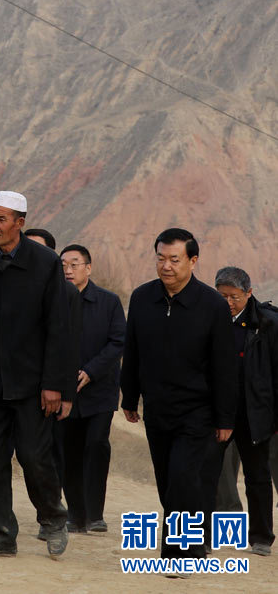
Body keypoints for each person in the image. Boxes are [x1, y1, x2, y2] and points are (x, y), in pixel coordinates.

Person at [0, 191, 76, 560]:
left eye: (1, 219)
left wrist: (55, 384)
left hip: (33, 383)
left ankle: (54, 518)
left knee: (33, 456)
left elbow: (59, 328)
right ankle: (1, 535)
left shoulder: (45, 263)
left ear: (20, 224)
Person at [120, 227, 237, 562]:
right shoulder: (142, 298)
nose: (166, 266)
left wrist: (224, 417)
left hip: (197, 411)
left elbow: (224, 367)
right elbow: (133, 351)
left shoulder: (212, 305)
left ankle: (178, 553)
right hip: (157, 408)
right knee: (167, 482)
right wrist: (130, 397)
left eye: (174, 259)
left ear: (193, 261)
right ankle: (195, 540)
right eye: (161, 258)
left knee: (184, 478)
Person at [205, 267, 278, 557]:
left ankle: (261, 537)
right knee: (207, 475)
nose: (228, 303)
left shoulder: (269, 323)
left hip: (255, 413)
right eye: (221, 296)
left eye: (233, 297)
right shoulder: (209, 320)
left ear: (249, 293)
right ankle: (202, 537)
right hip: (218, 413)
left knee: (257, 475)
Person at [59, 243, 126, 534]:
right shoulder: (54, 299)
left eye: (74, 264)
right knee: (68, 452)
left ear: (88, 267)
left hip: (99, 391)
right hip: (63, 391)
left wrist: (91, 370)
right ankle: (75, 514)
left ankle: (95, 514)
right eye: (63, 265)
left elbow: (117, 342)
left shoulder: (108, 302)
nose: (68, 270)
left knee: (96, 446)